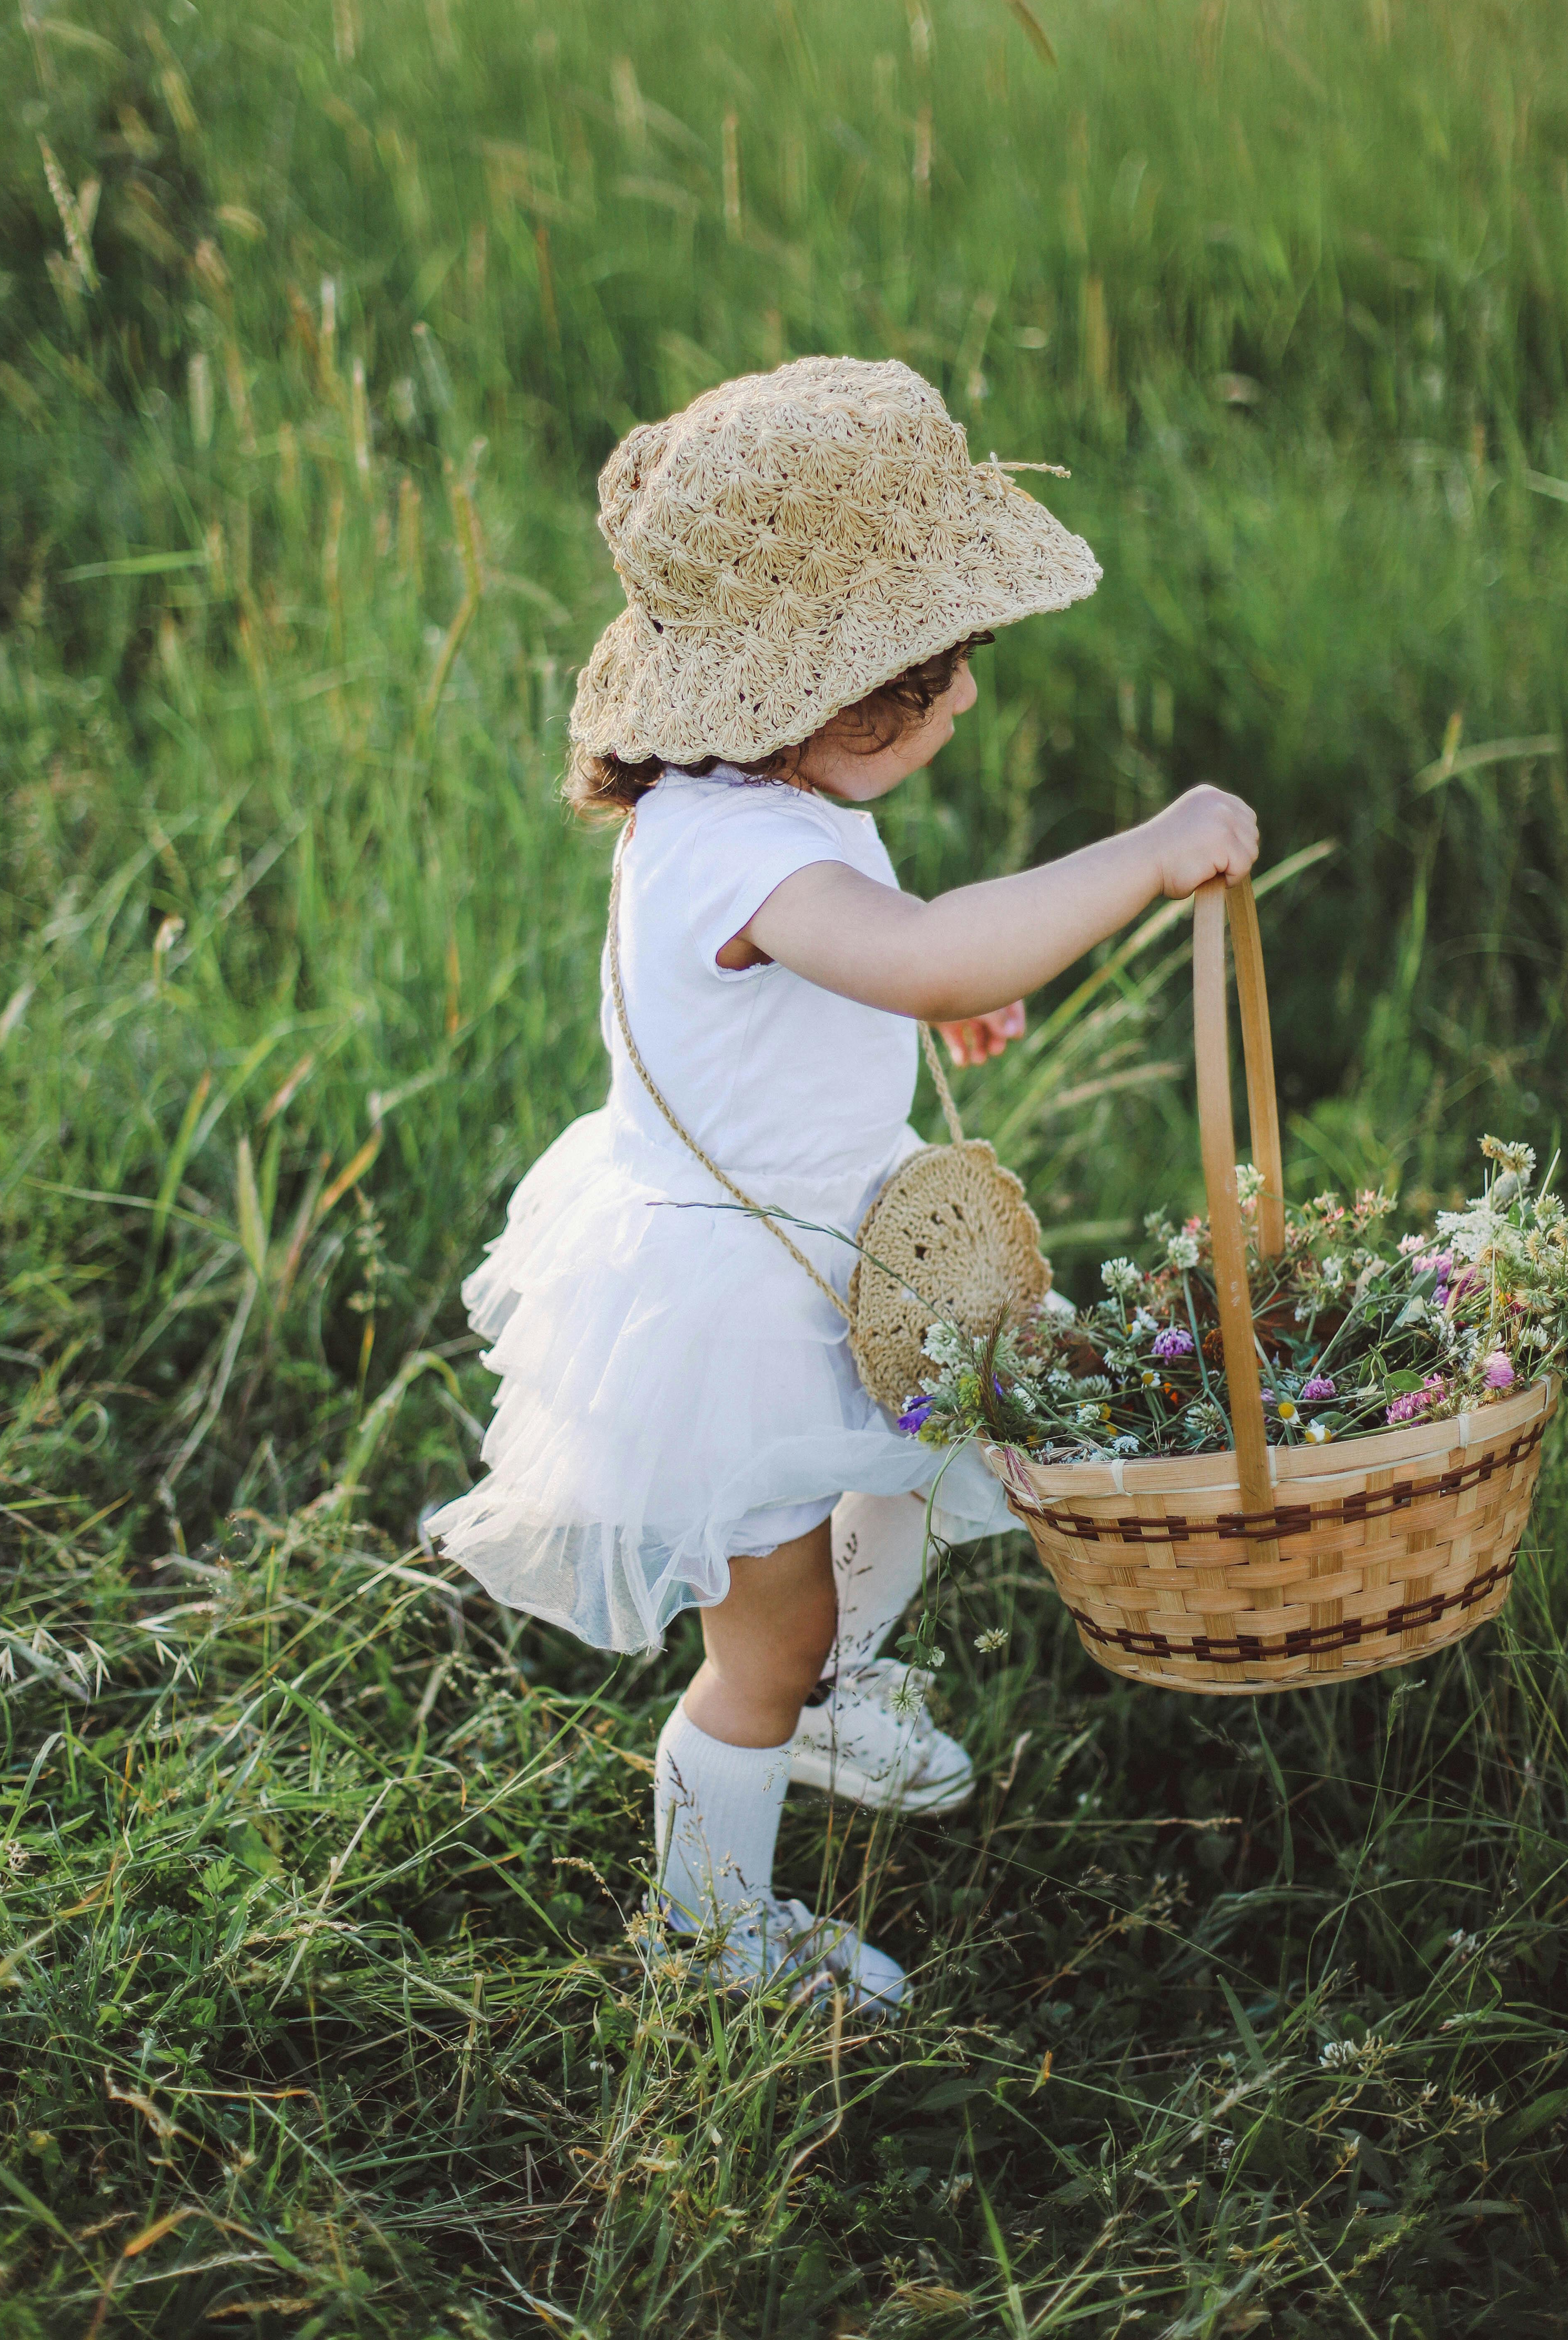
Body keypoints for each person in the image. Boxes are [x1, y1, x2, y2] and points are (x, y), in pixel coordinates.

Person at [427, 357, 1257, 2013]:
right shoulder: (740, 844)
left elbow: (868, 952)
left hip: (821, 1238)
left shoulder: (752, 797)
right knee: (764, 1629)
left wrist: (917, 986)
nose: (960, 699)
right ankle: (710, 1913)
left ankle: (828, 1698)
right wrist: (1142, 853)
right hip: (730, 1292)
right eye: (931, 669)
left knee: (893, 1458)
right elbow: (917, 936)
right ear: (807, 685)